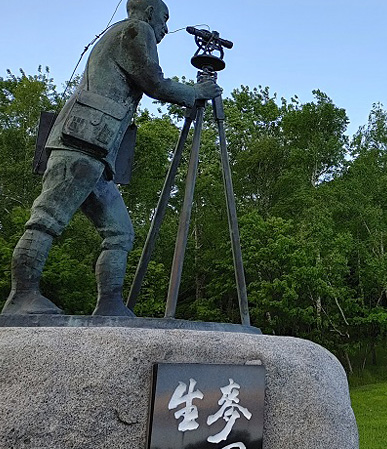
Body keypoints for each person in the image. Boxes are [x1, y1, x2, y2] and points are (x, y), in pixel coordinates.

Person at [1, 0, 222, 317]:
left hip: (98, 152)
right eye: (163, 19)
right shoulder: (136, 29)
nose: (164, 28)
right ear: (147, 12)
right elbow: (154, 82)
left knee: (120, 232)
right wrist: (196, 92)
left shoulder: (126, 33)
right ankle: (21, 297)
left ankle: (109, 303)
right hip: (81, 142)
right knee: (47, 219)